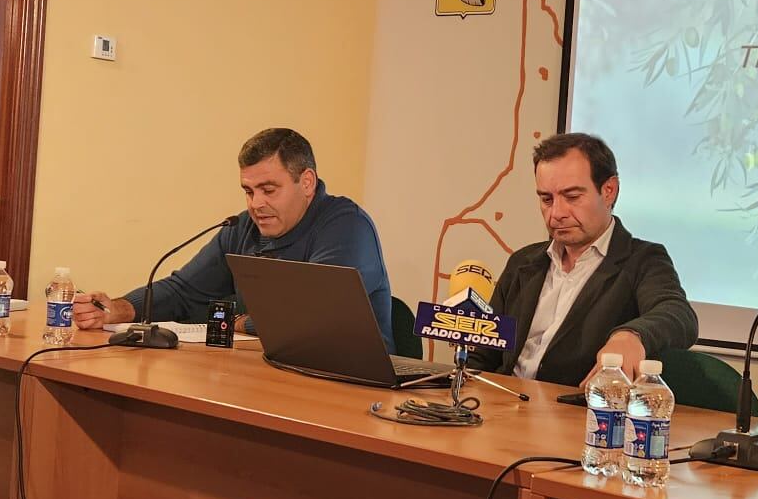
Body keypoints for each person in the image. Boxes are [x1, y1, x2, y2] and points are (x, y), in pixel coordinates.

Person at [74, 128, 396, 350]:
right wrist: (120, 309)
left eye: (269, 190)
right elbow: (184, 291)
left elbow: (316, 316)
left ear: (307, 182)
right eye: (248, 191)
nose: (256, 204)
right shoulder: (243, 228)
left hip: (351, 387)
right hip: (270, 375)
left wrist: (242, 323)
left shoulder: (345, 225)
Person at [467, 133, 698, 387]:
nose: (556, 213)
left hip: (577, 415)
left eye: (572, 197)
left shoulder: (643, 260)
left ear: (609, 190)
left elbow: (679, 315)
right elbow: (483, 353)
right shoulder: (524, 262)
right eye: (547, 199)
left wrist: (631, 336)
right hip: (503, 407)